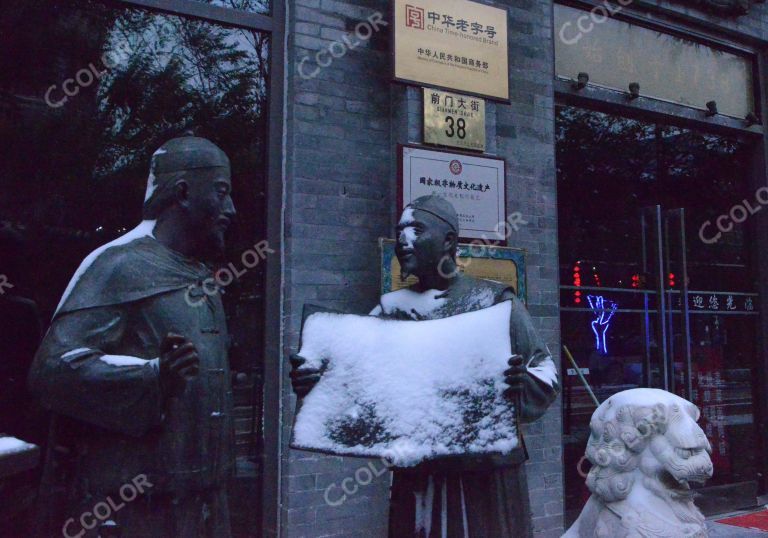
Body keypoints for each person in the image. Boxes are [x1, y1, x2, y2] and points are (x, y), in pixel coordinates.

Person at [291, 195, 559, 537]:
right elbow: (352, 383)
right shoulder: (391, 310)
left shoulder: (494, 302)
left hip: (486, 479)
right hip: (420, 476)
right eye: (400, 230)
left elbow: (545, 369)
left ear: (449, 241)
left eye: (417, 228)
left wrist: (522, 385)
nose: (404, 239)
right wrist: (314, 384)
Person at [28, 134, 237, 537]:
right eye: (221, 192)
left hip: (204, 507)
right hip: (136, 512)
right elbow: (51, 372)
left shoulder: (199, 277)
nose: (230, 208)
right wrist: (152, 377)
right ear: (183, 192)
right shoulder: (117, 266)